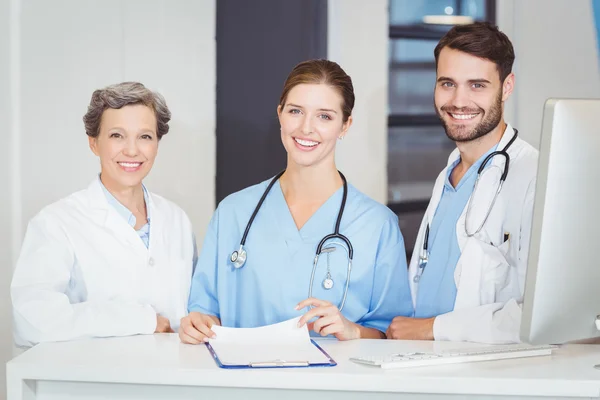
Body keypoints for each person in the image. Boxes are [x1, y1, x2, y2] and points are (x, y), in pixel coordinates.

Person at [179, 59, 413, 344]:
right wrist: (199, 323)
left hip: (335, 385)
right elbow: (204, 310)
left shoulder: (377, 225)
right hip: (245, 383)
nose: (306, 128)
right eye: (295, 111)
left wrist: (354, 331)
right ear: (280, 115)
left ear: (345, 125)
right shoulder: (234, 213)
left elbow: (394, 333)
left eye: (324, 116)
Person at [11, 82, 196, 347]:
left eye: (145, 136)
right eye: (117, 136)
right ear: (94, 143)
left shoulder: (176, 219)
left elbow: (193, 309)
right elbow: (31, 320)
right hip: (96, 383)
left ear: (157, 143)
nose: (132, 150)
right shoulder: (55, 223)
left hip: (175, 381)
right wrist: (139, 320)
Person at [386, 22, 539, 344]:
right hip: (422, 364)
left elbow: (542, 314)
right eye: (447, 83)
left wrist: (434, 329)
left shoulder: (535, 177)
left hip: (488, 378)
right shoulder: (449, 175)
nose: (458, 101)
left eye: (477, 85)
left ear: (507, 87)